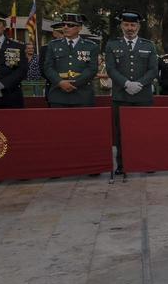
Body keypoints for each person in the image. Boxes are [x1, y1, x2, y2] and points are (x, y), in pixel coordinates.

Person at [104, 11, 159, 173]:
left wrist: (139, 84)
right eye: (126, 25)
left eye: (133, 25)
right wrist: (126, 83)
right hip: (121, 96)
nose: (130, 28)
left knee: (145, 131)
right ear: (121, 26)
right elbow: (111, 69)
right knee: (121, 133)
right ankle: (122, 165)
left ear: (138, 26)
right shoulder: (112, 45)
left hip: (143, 96)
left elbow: (153, 70)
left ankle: (146, 163)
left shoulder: (148, 45)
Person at [42, 13, 99, 107]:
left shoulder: (91, 46)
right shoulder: (53, 45)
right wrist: (60, 82)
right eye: (64, 24)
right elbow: (48, 67)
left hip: (82, 95)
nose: (65, 27)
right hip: (58, 95)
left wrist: (74, 83)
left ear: (80, 28)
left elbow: (92, 68)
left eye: (70, 25)